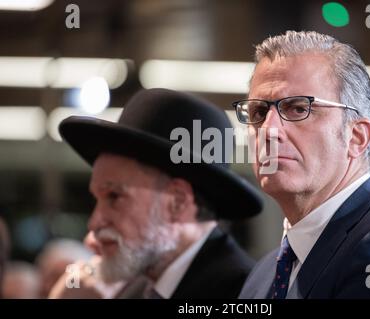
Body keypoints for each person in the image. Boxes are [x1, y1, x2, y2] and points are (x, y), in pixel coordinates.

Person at [235, 30, 370, 298]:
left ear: (357, 137)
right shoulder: (262, 275)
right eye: (259, 112)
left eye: (298, 108)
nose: (268, 130)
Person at [51, 88, 262, 299]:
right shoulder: (133, 290)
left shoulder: (249, 294)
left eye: (114, 196)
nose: (94, 224)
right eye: (97, 200)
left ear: (178, 202)